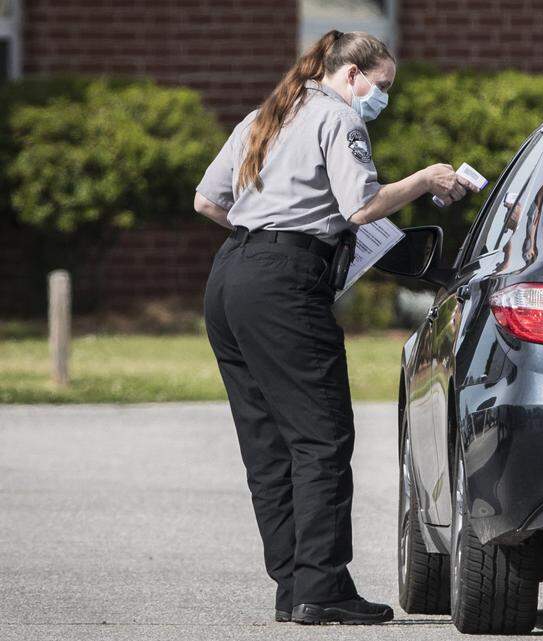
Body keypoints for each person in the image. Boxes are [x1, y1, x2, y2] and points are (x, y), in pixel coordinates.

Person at [193, 29, 473, 625]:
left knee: (267, 444)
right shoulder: (339, 120)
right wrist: (425, 180)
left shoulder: (265, 115)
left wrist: (264, 236)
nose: (383, 97)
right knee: (321, 437)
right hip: (284, 282)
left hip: (231, 277)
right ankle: (321, 586)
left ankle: (292, 585)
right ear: (352, 75)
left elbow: (208, 202)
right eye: (383, 85)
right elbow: (361, 207)